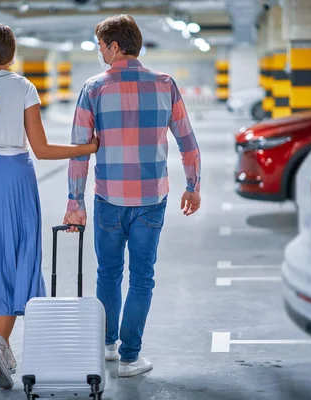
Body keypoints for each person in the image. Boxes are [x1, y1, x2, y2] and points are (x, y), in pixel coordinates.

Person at [0, 23, 98, 390]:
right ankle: (1, 344)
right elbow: (42, 150)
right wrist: (87, 148)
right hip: (15, 177)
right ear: (12, 52)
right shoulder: (23, 88)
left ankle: (3, 347)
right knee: (17, 258)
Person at [63, 14, 201, 378]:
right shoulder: (165, 84)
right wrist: (193, 185)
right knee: (142, 277)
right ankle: (129, 358)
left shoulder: (93, 88)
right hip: (151, 198)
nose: (99, 53)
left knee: (107, 273)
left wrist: (74, 201)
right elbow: (187, 141)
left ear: (114, 46)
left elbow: (79, 149)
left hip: (108, 197)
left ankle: (108, 345)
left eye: (100, 46)